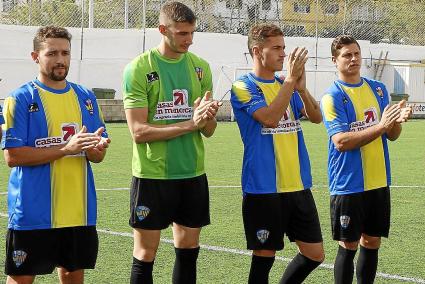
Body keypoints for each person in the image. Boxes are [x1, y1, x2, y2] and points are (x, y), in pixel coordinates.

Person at [2, 26, 110, 284]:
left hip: (78, 209)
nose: (60, 60)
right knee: (21, 279)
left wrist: (96, 149)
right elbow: (13, 157)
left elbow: (95, 156)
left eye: (65, 53)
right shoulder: (19, 99)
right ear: (35, 56)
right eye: (52, 53)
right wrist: (65, 149)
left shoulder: (85, 97)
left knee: (73, 277)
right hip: (32, 211)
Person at [122, 2, 221, 284]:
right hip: (152, 175)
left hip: (192, 173)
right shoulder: (139, 68)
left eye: (192, 33)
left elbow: (209, 131)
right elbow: (138, 131)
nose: (189, 40)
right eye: (182, 34)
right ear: (163, 30)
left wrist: (208, 117)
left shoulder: (200, 68)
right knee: (145, 253)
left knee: (188, 251)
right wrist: (191, 123)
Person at [230, 23, 325, 284]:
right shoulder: (243, 86)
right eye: (277, 48)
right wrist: (292, 82)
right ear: (258, 51)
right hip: (263, 187)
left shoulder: (287, 84)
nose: (284, 54)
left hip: (297, 184)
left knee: (315, 254)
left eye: (284, 48)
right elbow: (270, 118)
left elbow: (317, 118)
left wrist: (302, 89)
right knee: (264, 257)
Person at [320, 35, 412, 284]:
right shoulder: (332, 96)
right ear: (334, 60)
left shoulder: (378, 89)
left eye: (356, 54)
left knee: (372, 241)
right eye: (347, 55)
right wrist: (382, 126)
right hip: (348, 183)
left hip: (378, 179)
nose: (353, 59)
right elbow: (340, 141)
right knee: (348, 244)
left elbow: (391, 135)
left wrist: (397, 120)